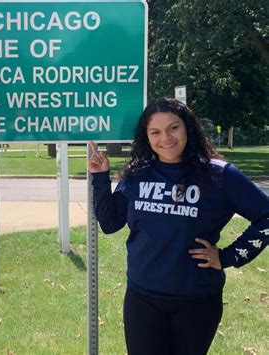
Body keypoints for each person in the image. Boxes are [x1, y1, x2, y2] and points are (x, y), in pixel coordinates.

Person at [88, 97, 268, 355]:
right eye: (156, 132)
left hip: (196, 300)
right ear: (146, 136)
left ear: (188, 128)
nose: (166, 138)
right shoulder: (139, 173)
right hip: (142, 297)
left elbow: (266, 216)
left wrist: (228, 256)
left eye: (173, 128)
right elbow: (109, 222)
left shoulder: (220, 174)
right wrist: (100, 178)